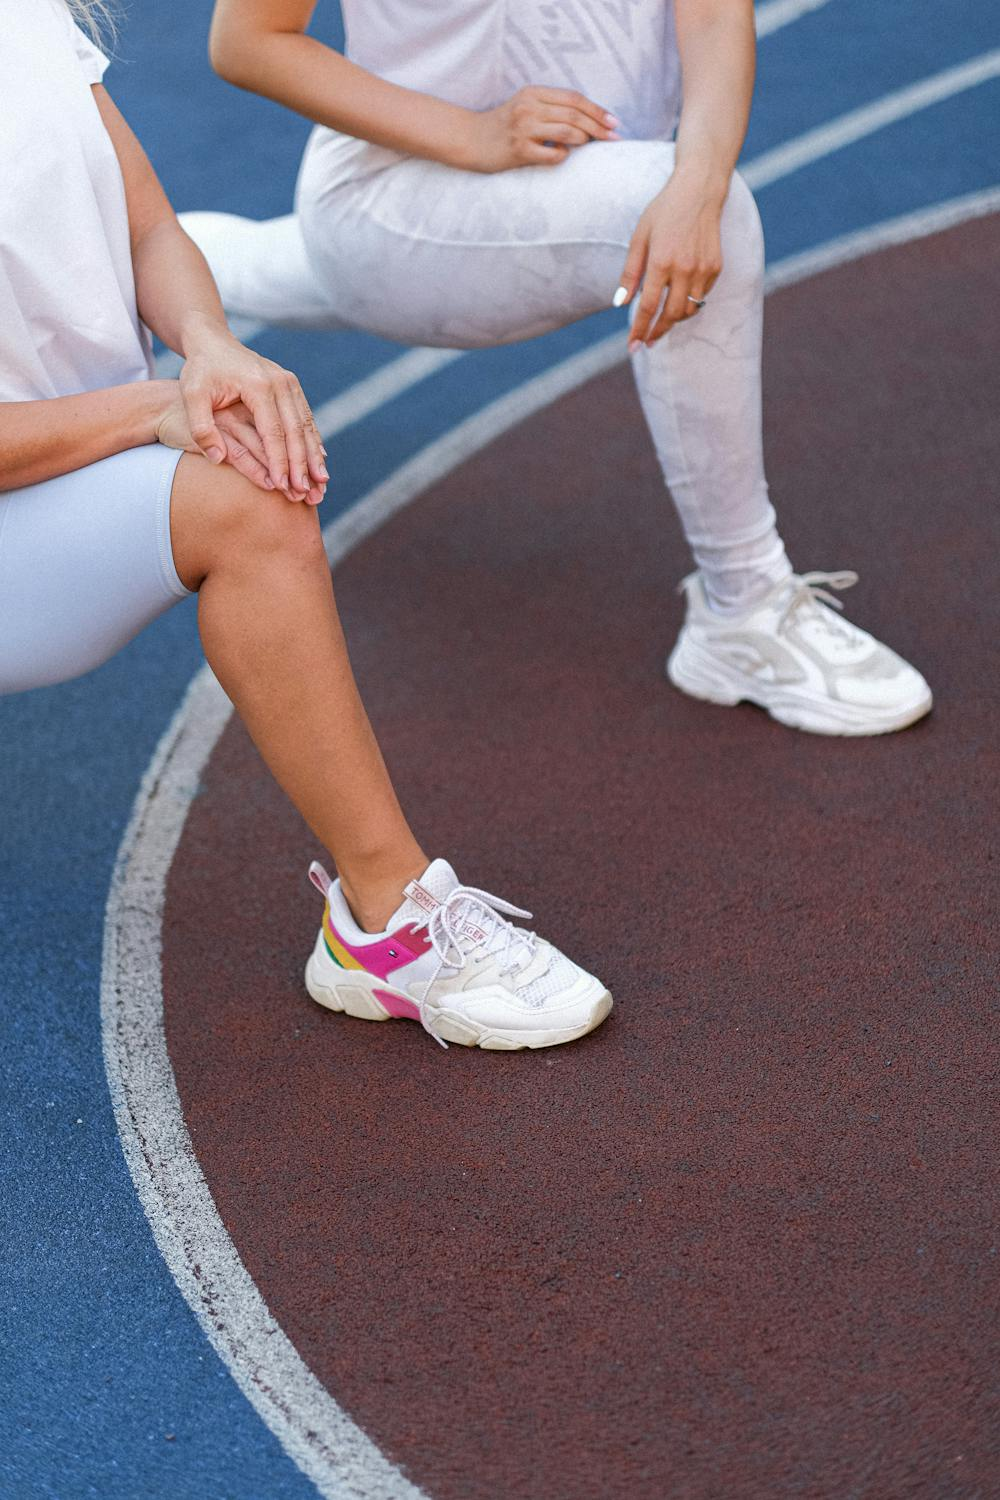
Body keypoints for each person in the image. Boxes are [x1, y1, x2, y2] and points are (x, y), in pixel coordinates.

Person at [0, 0, 612, 1052]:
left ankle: (381, 927)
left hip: (59, 481)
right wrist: (152, 409)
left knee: (250, 483)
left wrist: (205, 348)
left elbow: (149, 222)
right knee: (229, 476)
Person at [184, 0, 932, 738]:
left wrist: (698, 182)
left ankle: (144, 256)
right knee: (691, 214)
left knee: (695, 208)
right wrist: (469, 132)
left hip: (548, 193)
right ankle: (744, 605)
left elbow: (709, 12)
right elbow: (246, 41)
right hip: (389, 198)